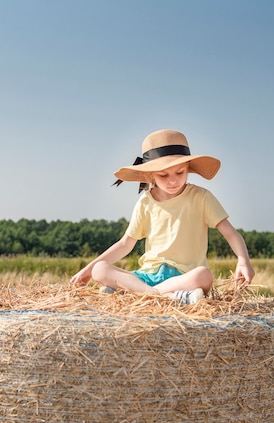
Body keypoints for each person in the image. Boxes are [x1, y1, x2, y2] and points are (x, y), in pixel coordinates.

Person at [69, 129, 255, 305]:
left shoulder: (201, 197)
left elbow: (230, 233)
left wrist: (243, 260)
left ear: (188, 167)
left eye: (180, 172)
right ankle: (165, 298)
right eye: (164, 175)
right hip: (147, 277)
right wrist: (88, 270)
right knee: (100, 269)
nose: (173, 180)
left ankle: (135, 294)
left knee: (204, 275)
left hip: (184, 277)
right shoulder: (145, 202)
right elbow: (125, 243)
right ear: (151, 175)